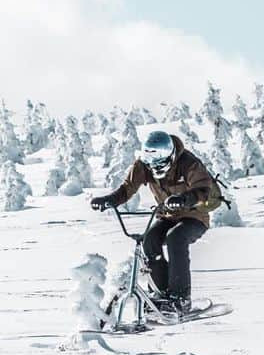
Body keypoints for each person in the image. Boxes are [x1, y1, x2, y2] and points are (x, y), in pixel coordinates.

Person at [90, 130, 213, 314]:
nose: (155, 167)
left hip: (194, 216)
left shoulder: (188, 163)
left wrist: (185, 198)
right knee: (150, 241)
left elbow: (204, 189)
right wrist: (109, 200)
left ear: (170, 156)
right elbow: (126, 189)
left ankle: (180, 298)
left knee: (176, 238)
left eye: (160, 163)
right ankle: (160, 294)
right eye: (151, 163)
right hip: (167, 216)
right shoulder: (144, 165)